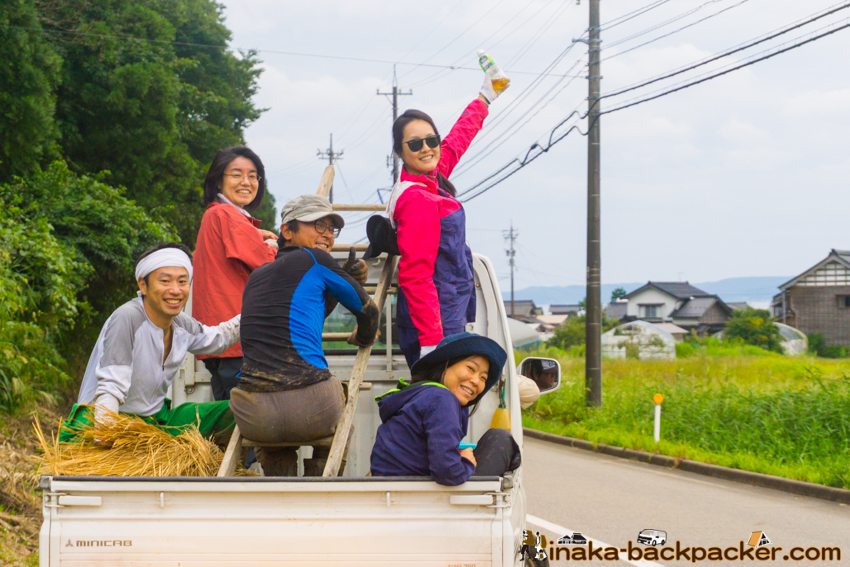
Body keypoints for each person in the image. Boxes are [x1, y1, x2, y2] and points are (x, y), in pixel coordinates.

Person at [230, 195, 381, 476]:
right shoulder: (316, 258)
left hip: (252, 413)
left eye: (331, 229)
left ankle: (281, 488)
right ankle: (316, 486)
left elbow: (304, 318)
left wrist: (338, 281)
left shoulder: (257, 276)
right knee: (343, 413)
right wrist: (364, 337)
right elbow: (369, 312)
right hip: (312, 407)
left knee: (276, 441)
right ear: (287, 230)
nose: (327, 235)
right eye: (318, 225)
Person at [386, 60, 510, 368]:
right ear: (400, 153)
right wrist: (431, 344)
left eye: (432, 140)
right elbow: (415, 275)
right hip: (436, 325)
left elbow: (457, 140)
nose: (427, 148)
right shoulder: (417, 200)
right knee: (445, 411)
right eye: (415, 143)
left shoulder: (430, 179)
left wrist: (485, 97)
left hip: (447, 317)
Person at [62, 243, 241, 442]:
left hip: (154, 422)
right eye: (165, 281)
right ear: (143, 286)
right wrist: (106, 440)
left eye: (182, 282)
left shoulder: (181, 323)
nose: (175, 290)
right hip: (110, 422)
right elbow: (110, 389)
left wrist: (255, 309)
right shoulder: (127, 318)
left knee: (239, 410)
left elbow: (219, 338)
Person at [370, 332, 521, 485]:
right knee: (500, 439)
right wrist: (466, 463)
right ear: (445, 365)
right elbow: (448, 471)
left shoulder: (421, 394)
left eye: (483, 378)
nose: (476, 381)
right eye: (470, 368)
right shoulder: (441, 397)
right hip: (415, 498)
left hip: (396, 491)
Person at [193, 146, 277, 401]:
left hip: (219, 342)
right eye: (236, 174)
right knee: (248, 421)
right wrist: (276, 247)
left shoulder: (216, 214)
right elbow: (265, 262)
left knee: (227, 421)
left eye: (253, 176)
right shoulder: (225, 214)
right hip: (235, 339)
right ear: (219, 179)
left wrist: (259, 235)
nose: (246, 182)